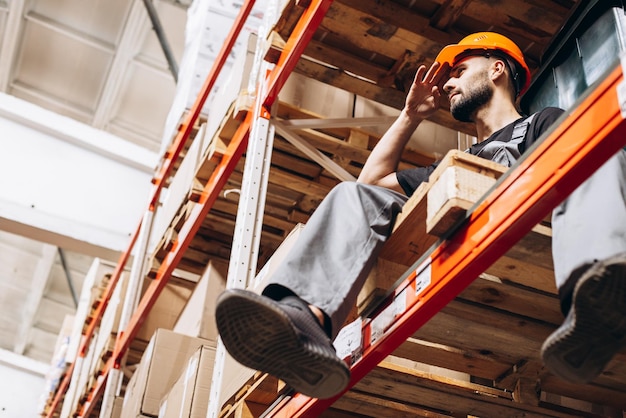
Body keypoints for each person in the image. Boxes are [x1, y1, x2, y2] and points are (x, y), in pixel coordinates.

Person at [215, 32, 626, 399]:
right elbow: (370, 183)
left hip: (539, 237)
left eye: (460, 71)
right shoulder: (452, 166)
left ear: (498, 69)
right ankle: (305, 323)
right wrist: (410, 115)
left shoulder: (542, 123)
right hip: (467, 254)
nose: (447, 83)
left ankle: (599, 295)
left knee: (596, 138)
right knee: (353, 196)